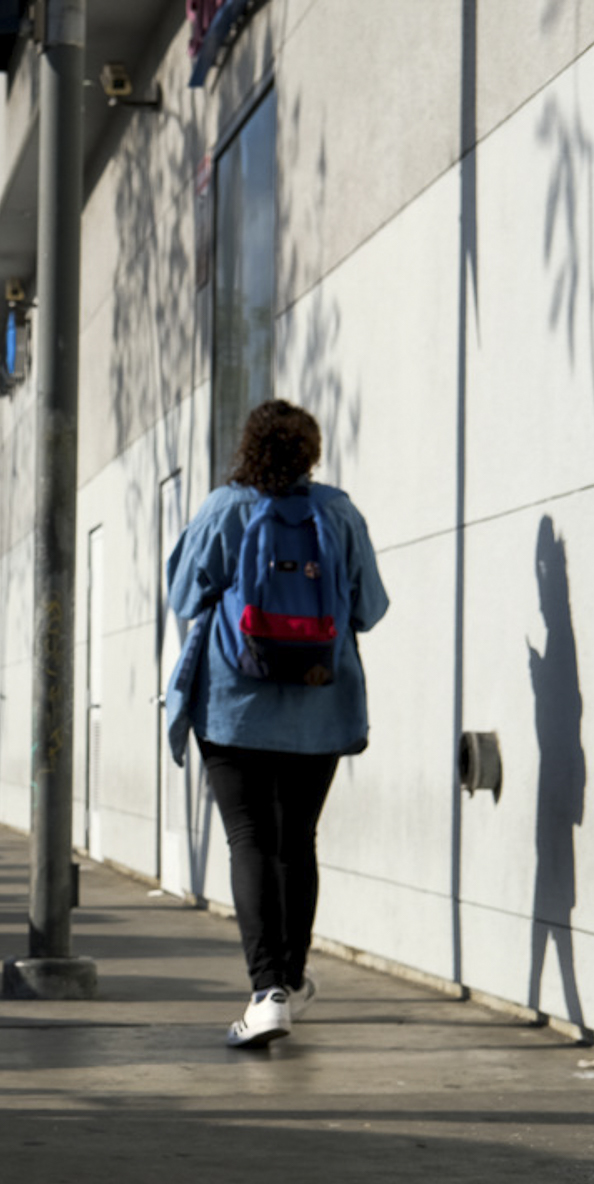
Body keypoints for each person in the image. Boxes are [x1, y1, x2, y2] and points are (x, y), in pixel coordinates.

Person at [163, 399, 389, 1049]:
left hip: (233, 708)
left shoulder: (225, 508)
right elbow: (369, 608)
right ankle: (291, 979)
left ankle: (265, 994)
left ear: (250, 447)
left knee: (249, 839)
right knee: (299, 842)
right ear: (311, 453)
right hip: (320, 707)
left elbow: (182, 594)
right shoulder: (338, 512)